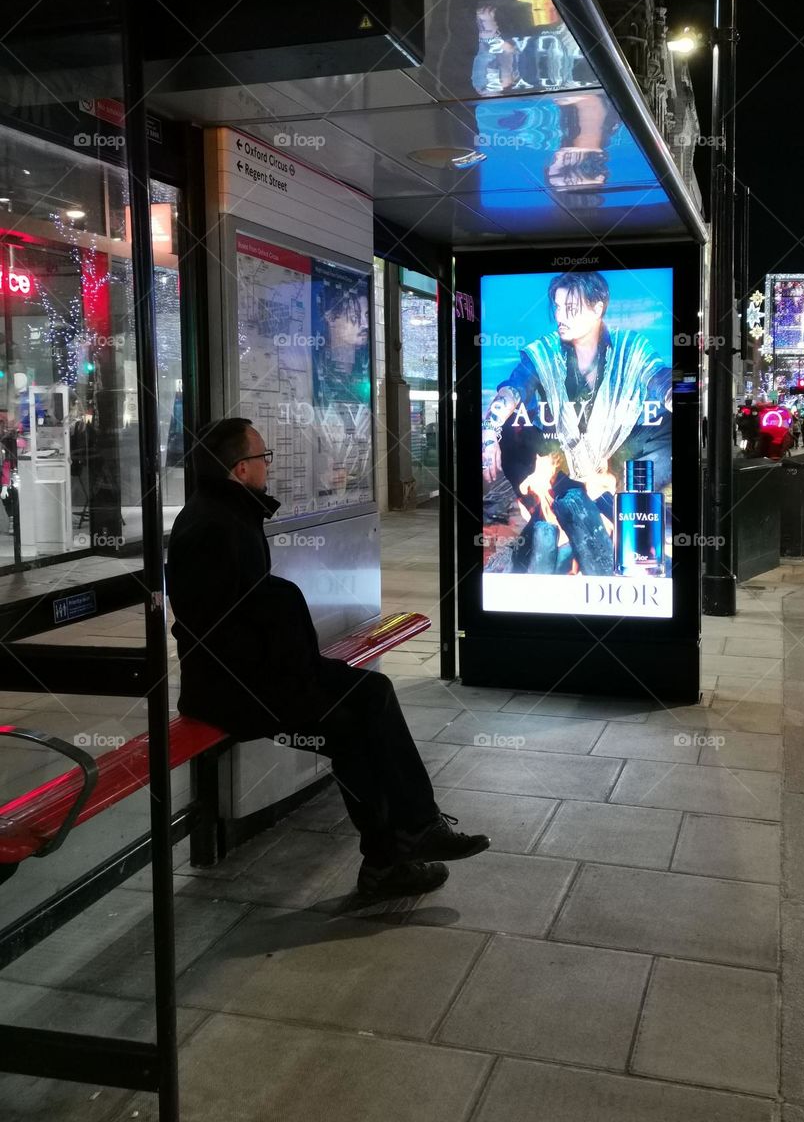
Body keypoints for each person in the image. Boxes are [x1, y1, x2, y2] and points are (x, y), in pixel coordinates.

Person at [166, 418, 490, 899]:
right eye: (263, 458)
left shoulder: (227, 513)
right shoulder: (214, 526)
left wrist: (302, 668)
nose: (268, 467)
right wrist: (302, 678)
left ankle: (411, 835)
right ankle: (395, 854)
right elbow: (220, 634)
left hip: (259, 678)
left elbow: (250, 616)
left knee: (371, 695)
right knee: (354, 728)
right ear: (239, 469)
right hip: (234, 692)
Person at [480, 270, 671, 576]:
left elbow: (660, 377)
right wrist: (490, 430)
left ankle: (633, 545)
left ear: (598, 307)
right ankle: (546, 547)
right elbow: (514, 388)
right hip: (562, 469)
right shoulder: (544, 352)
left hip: (619, 465)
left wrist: (678, 397)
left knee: (661, 437)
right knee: (518, 443)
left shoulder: (630, 347)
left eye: (571, 308)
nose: (560, 316)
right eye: (556, 307)